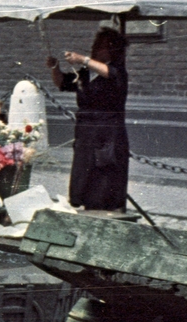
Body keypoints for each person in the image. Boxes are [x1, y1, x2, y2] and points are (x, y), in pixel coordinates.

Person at [49, 27, 130, 212]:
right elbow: (62, 83)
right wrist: (55, 67)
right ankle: (85, 205)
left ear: (112, 51)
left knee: (103, 178)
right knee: (84, 175)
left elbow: (110, 73)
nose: (94, 50)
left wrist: (83, 59)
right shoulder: (86, 73)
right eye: (94, 45)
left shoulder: (117, 72)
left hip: (106, 134)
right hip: (86, 132)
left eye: (100, 47)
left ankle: (105, 210)